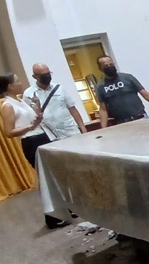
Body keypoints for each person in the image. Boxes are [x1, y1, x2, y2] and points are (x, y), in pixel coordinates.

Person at [0, 73, 67, 228]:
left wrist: (37, 105)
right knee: (45, 179)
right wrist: (30, 127)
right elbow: (9, 132)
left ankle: (63, 209)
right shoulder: (7, 105)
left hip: (41, 137)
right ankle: (51, 217)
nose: (21, 83)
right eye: (17, 81)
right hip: (31, 141)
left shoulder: (20, 100)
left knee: (54, 176)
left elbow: (33, 119)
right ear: (10, 86)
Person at [95, 55, 149, 128]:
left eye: (111, 64)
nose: (109, 67)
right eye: (106, 66)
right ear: (100, 68)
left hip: (141, 118)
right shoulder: (100, 86)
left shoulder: (128, 78)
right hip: (122, 124)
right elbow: (103, 109)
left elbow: (146, 95)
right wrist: (104, 129)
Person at [23, 63, 86, 140]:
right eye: (43, 75)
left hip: (70, 131)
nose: (47, 77)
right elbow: (30, 117)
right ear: (34, 77)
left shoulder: (59, 89)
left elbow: (72, 109)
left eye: (48, 73)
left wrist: (83, 128)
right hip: (50, 136)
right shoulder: (28, 94)